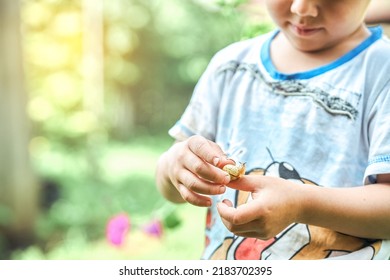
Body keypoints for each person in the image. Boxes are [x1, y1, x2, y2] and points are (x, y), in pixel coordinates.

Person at [155, 0, 390, 260]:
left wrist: (303, 204)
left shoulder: (382, 72)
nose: (302, 9)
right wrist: (172, 167)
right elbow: (172, 184)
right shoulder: (230, 66)